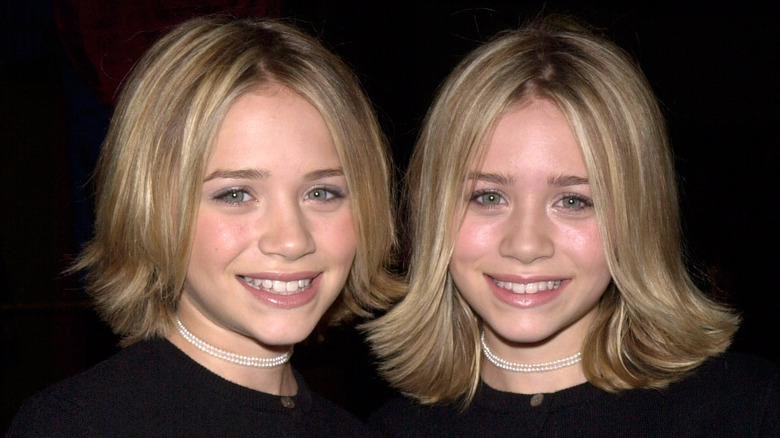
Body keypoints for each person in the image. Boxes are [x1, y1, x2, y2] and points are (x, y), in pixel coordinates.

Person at [365, 16, 779, 437]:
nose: (526, 245)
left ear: (637, 218)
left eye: (573, 201)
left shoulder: (747, 409)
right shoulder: (387, 430)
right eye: (488, 197)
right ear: (432, 213)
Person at [7, 16, 399, 436]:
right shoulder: (76, 425)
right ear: (152, 207)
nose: (291, 240)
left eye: (321, 193)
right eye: (235, 194)